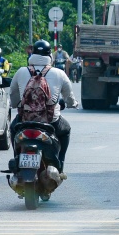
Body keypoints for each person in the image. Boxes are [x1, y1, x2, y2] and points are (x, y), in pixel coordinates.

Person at [9, 39, 78, 172]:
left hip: (25, 120)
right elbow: (69, 97)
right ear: (50, 56)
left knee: (13, 129)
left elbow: (12, 93)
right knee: (66, 130)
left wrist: (15, 104)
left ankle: (17, 158)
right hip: (50, 121)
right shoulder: (59, 73)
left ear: (32, 54)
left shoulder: (21, 71)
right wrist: (72, 104)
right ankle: (60, 164)